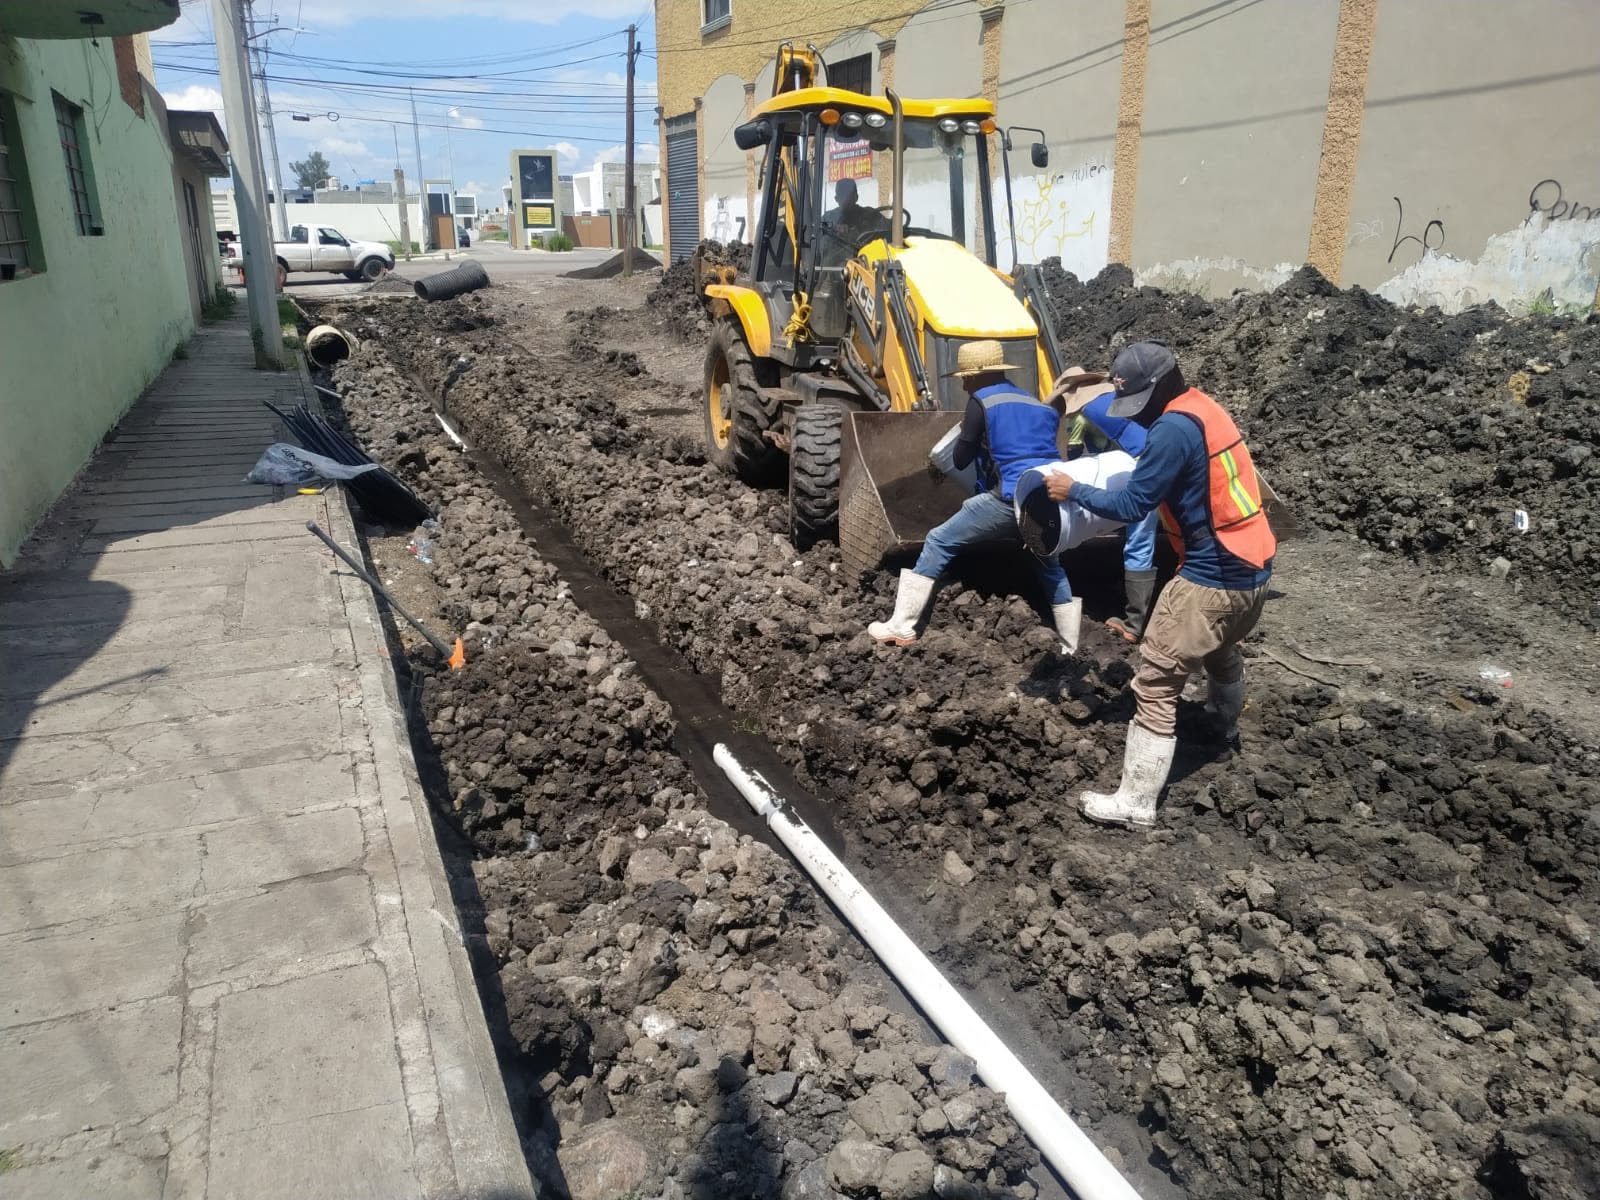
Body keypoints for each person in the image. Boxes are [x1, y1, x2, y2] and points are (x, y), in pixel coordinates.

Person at [1045, 341, 1275, 828]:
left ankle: (1135, 803)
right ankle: (1220, 723)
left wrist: (1073, 490)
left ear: (1164, 383)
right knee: (1220, 647)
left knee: (1155, 680)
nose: (1138, 412)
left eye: (1140, 401)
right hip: (1253, 563)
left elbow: (1132, 506)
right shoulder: (1202, 407)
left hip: (1212, 575)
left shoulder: (1171, 430)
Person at [868, 339, 1081, 652]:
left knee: (939, 539)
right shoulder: (1038, 405)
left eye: (966, 377)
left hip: (1009, 498)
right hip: (1048, 498)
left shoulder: (982, 401)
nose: (965, 385)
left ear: (980, 375)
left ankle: (901, 627)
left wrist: (967, 442)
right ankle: (1070, 645)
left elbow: (960, 459)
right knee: (1049, 565)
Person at [1058, 367, 1161, 642]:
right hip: (1166, 457)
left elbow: (1077, 449)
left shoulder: (1089, 409)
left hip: (1146, 464)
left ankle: (1135, 622)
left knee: (1138, 538)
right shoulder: (1120, 399)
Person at [821, 178, 886, 248]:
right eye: (843, 196)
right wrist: (834, 230)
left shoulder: (872, 216)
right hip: (835, 258)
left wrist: (859, 233)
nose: (847, 200)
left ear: (856, 197)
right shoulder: (828, 218)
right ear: (836, 199)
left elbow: (889, 231)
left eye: (850, 196)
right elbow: (818, 230)